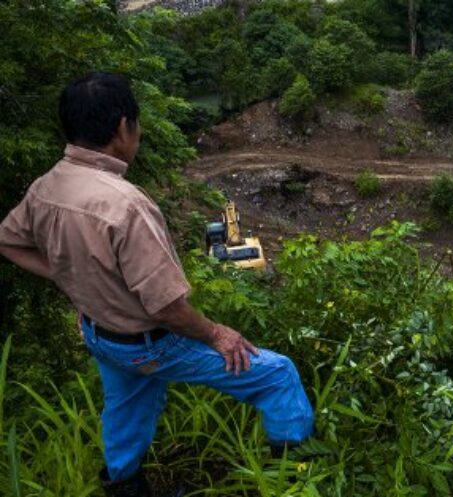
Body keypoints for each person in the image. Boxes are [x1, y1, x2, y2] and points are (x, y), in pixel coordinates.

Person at [0, 72, 314, 497]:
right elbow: (166, 307)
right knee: (277, 376)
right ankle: (291, 480)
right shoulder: (125, 204)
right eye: (137, 124)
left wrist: (73, 278)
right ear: (123, 129)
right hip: (149, 341)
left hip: (99, 333)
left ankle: (126, 487)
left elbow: (9, 240)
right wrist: (217, 334)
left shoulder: (46, 186)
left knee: (126, 406)